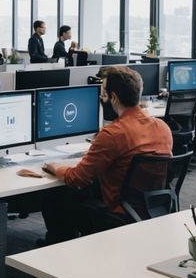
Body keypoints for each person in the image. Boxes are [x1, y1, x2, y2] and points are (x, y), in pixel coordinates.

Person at [39, 66, 173, 244]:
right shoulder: (163, 128)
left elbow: (77, 179)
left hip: (119, 214)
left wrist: (56, 167)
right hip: (154, 208)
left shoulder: (112, 134)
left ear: (114, 98)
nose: (102, 98)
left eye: (103, 93)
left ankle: (59, 247)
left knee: (56, 195)